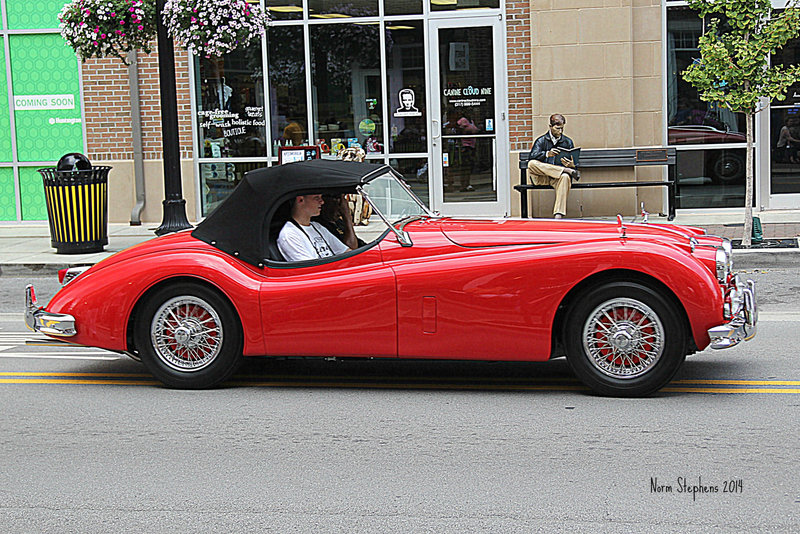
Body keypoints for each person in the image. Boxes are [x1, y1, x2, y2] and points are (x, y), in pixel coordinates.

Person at [527, 113, 580, 218]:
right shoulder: (541, 140)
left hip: (557, 179)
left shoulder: (567, 141)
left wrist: (571, 165)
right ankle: (564, 170)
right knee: (531, 163)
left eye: (562, 129)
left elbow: (574, 163)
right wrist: (546, 154)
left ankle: (558, 214)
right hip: (542, 178)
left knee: (565, 177)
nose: (560, 131)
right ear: (550, 127)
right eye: (557, 128)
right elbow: (532, 156)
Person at [277, 194, 357, 261]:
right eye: (316, 198)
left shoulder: (317, 226)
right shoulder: (290, 234)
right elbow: (311, 270)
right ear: (300, 199)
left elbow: (346, 252)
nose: (322, 202)